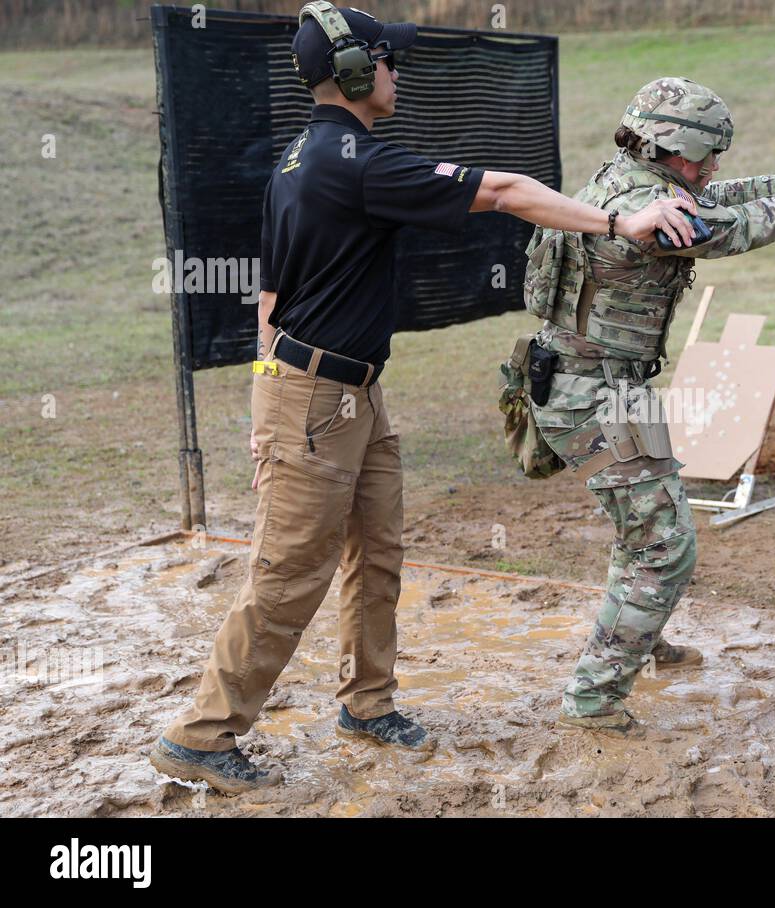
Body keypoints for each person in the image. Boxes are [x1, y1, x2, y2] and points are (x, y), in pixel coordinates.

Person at [149, 3, 698, 795]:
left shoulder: (304, 156)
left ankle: (366, 704)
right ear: (353, 74)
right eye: (388, 61)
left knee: (376, 555)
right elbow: (507, 190)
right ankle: (200, 735)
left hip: (346, 397)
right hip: (315, 401)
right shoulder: (353, 161)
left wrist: (263, 393)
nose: (397, 72)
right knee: (287, 572)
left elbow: (271, 291)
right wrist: (623, 219)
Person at [522, 77, 775, 735]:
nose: (711, 168)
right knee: (666, 546)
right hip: (590, 395)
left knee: (645, 529)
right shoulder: (650, 213)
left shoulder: (632, 180)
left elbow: (719, 196)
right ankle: (592, 700)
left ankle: (637, 639)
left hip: (610, 387)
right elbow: (722, 228)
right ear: (665, 146)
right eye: (703, 155)